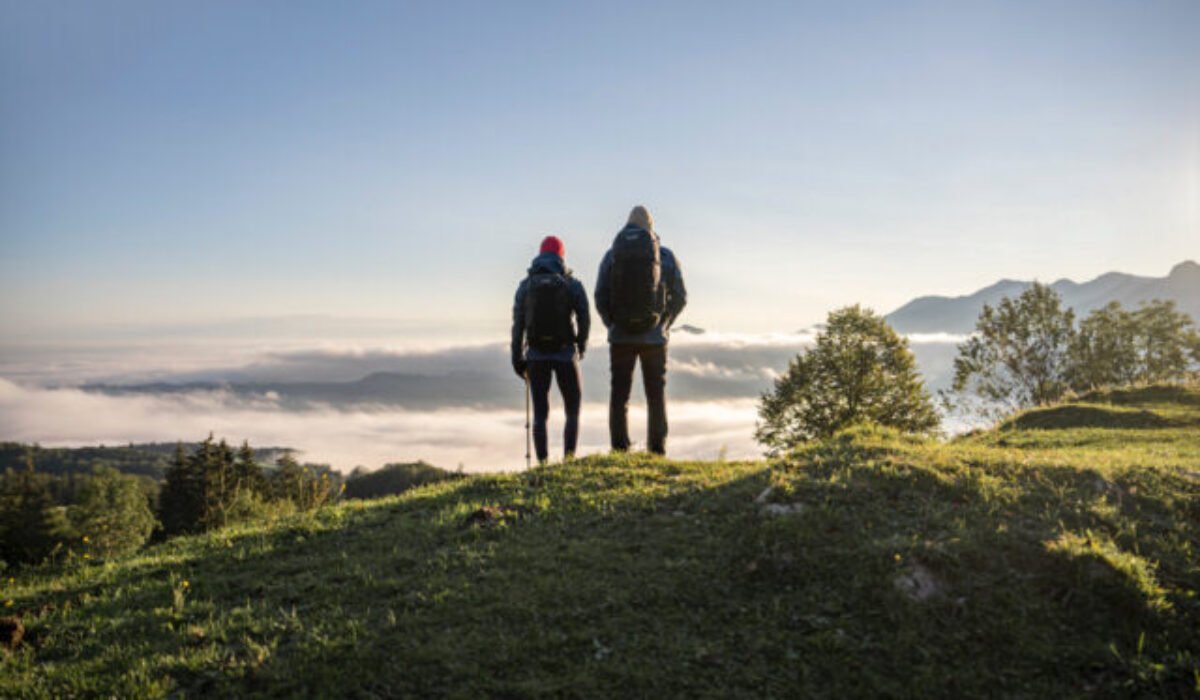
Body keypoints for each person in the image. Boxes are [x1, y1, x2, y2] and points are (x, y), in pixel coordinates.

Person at [594, 206, 687, 455]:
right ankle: (656, 449)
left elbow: (600, 295)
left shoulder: (612, 255)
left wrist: (613, 324)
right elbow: (680, 297)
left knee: (619, 393)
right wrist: (664, 323)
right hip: (654, 339)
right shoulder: (665, 256)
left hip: (620, 337)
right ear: (651, 227)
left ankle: (619, 448)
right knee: (655, 395)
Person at [511, 235, 590, 463]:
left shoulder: (526, 286)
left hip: (536, 355)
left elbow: (518, 325)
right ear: (561, 255)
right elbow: (584, 317)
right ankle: (568, 459)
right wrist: (580, 346)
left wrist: (517, 359)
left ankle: (543, 463)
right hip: (565, 353)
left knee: (540, 414)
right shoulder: (571, 284)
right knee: (572, 410)